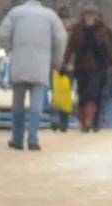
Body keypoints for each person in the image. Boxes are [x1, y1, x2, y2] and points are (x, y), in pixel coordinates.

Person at [0, 0, 67, 150]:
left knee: (18, 104)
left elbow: (2, 34)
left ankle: (17, 139)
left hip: (19, 63)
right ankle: (33, 139)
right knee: (36, 105)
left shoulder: (15, 13)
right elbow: (61, 39)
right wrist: (56, 60)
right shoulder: (50, 16)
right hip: (41, 65)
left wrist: (10, 49)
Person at [60, 5, 112, 133]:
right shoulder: (78, 29)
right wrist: (64, 63)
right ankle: (84, 121)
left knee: (93, 94)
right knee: (82, 94)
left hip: (98, 67)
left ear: (96, 16)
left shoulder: (102, 30)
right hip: (81, 67)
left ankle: (89, 121)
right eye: (87, 14)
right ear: (83, 16)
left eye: (92, 14)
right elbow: (70, 47)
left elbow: (109, 49)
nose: (89, 17)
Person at [50, 4, 76, 133]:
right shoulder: (54, 31)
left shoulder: (74, 31)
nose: (64, 22)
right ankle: (55, 120)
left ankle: (63, 122)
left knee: (65, 94)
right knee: (56, 94)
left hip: (69, 66)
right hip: (56, 66)